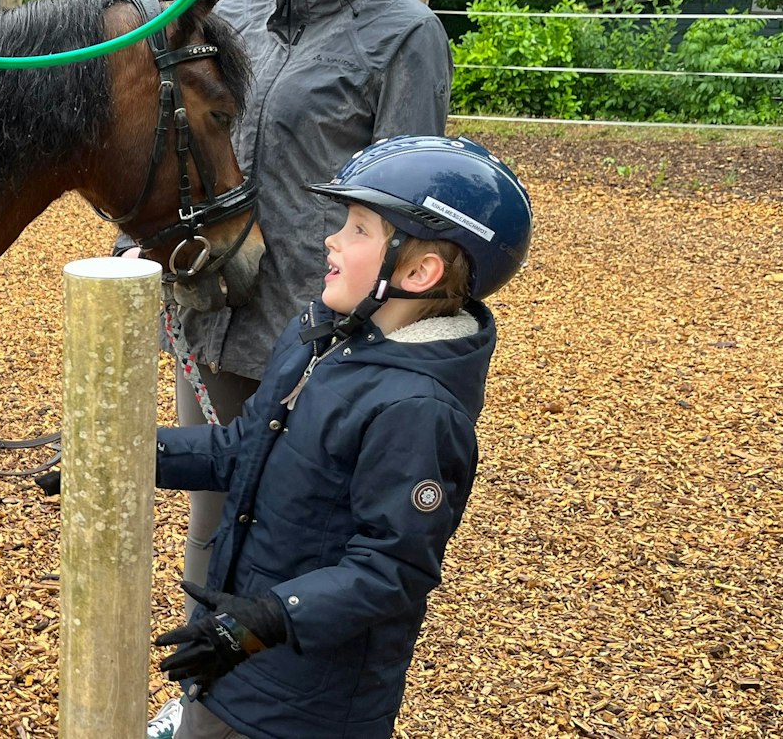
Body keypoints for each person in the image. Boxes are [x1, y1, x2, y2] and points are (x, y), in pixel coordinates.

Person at [147, 135, 533, 739]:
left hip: (308, 704)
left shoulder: (417, 411)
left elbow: (392, 568)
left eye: (358, 229)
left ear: (418, 270)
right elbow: (244, 447)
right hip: (233, 659)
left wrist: (261, 624)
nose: (333, 238)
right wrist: (123, 458)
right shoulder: (321, 336)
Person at [166, 0, 452, 606]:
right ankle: (199, 709)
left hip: (312, 327)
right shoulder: (237, 15)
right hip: (210, 307)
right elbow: (194, 146)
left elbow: (407, 202)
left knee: (292, 527)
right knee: (210, 517)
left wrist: (368, 334)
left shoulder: (404, 34)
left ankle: (267, 710)